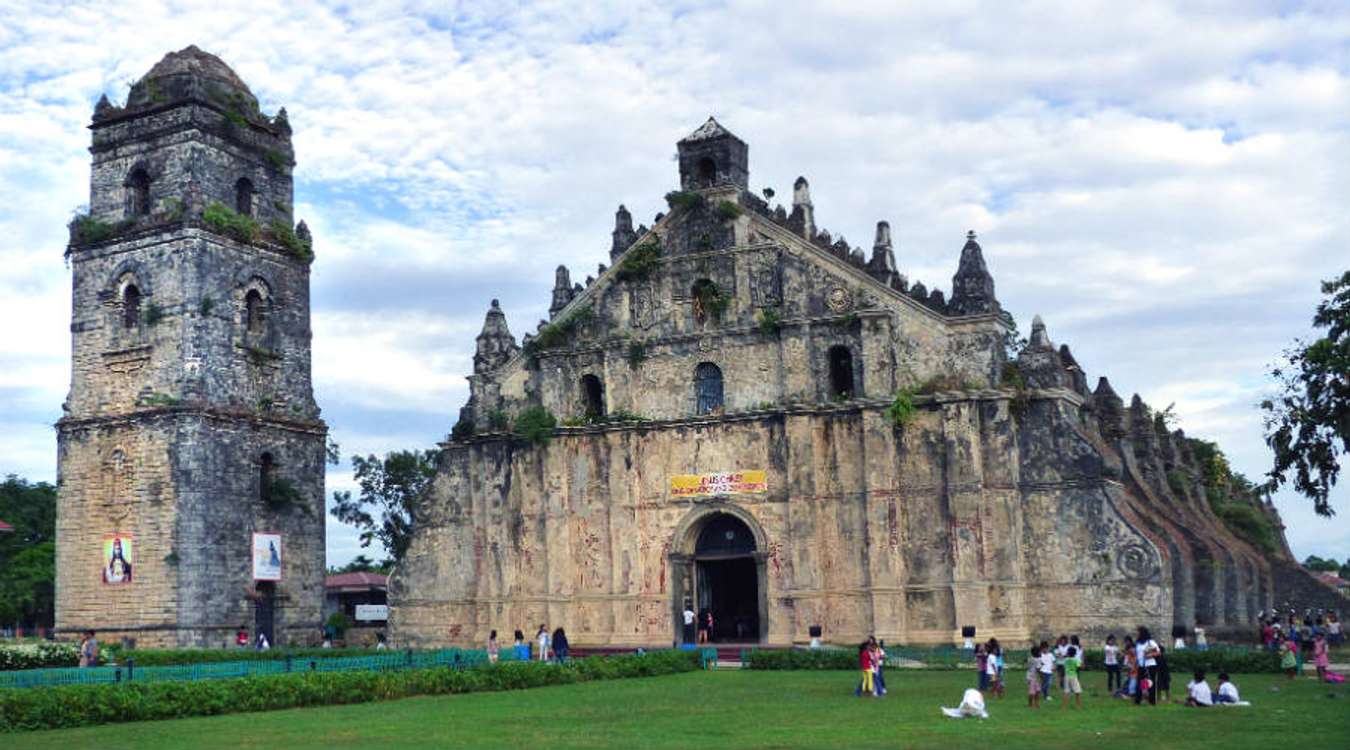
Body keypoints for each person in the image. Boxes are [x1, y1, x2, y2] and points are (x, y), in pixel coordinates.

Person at [1134, 626, 1160, 705]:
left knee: (1150, 683)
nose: (1136, 633)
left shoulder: (1150, 642)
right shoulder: (1137, 643)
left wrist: (1150, 655)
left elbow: (1158, 652)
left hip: (1150, 665)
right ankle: (1138, 700)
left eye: (1138, 632)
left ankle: (1152, 701)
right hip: (1141, 666)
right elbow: (1137, 654)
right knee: (1140, 683)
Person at [1061, 645, 1083, 709]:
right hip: (1073, 676)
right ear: (1075, 653)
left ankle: (1064, 706)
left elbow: (1063, 666)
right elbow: (1079, 667)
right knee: (1077, 691)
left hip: (1066, 676)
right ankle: (1078, 705)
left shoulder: (1066, 660)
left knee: (1066, 691)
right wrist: (1082, 664)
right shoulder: (1076, 660)